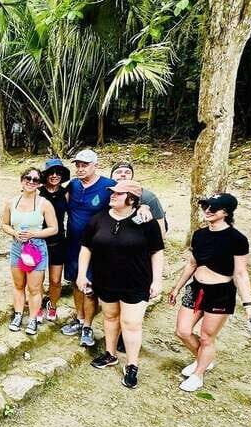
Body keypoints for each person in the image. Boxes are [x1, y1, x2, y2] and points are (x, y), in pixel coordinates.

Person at [169, 193, 251, 392]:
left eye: (213, 207)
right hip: (196, 289)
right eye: (206, 206)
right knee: (183, 331)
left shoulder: (237, 239)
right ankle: (204, 359)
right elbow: (192, 263)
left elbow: (240, 273)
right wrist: (177, 288)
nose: (208, 210)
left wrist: (248, 305)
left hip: (221, 292)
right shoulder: (200, 234)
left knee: (206, 337)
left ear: (226, 212)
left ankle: (199, 374)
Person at [76, 181, 164, 389]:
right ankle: (110, 354)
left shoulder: (146, 222)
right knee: (110, 317)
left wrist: (157, 280)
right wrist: (82, 274)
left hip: (136, 282)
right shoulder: (98, 219)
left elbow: (157, 251)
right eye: (112, 193)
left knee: (131, 324)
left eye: (118, 193)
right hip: (105, 280)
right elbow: (86, 248)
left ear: (131, 199)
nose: (112, 196)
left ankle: (132, 365)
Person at [60, 149, 117, 347]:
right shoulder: (73, 185)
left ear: (95, 165)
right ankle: (79, 318)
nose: (80, 169)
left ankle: (88, 326)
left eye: (85, 165)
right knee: (77, 282)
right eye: (78, 165)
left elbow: (132, 200)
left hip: (96, 246)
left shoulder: (109, 186)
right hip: (73, 243)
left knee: (90, 287)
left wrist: (145, 207)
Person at [1, 168, 58, 334]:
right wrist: (14, 233)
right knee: (19, 285)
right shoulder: (11, 202)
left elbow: (54, 228)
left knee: (34, 287)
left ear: (40, 183)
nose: (31, 182)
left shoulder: (44, 204)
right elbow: (4, 224)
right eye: (28, 178)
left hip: (36, 247)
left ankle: (33, 319)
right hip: (17, 247)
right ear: (22, 179)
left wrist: (34, 234)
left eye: (35, 179)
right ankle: (18, 315)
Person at [38, 158, 70, 322]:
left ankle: (53, 305)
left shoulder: (66, 193)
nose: (55, 176)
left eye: (58, 173)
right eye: (51, 172)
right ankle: (37, 306)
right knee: (38, 279)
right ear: (46, 175)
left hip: (58, 242)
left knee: (56, 279)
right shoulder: (38, 192)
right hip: (38, 242)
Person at [110, 162, 167, 235]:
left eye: (127, 172)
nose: (123, 175)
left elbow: (161, 226)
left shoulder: (146, 197)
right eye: (118, 172)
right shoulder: (105, 192)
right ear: (111, 176)